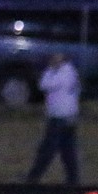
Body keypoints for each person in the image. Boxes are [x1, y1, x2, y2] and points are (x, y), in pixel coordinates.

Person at [25, 52, 81, 186]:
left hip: (61, 117)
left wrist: (50, 70)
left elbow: (46, 85)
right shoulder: (58, 71)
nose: (53, 59)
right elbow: (43, 84)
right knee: (67, 151)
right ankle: (73, 180)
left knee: (48, 149)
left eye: (56, 57)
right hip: (62, 116)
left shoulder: (67, 72)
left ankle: (33, 178)